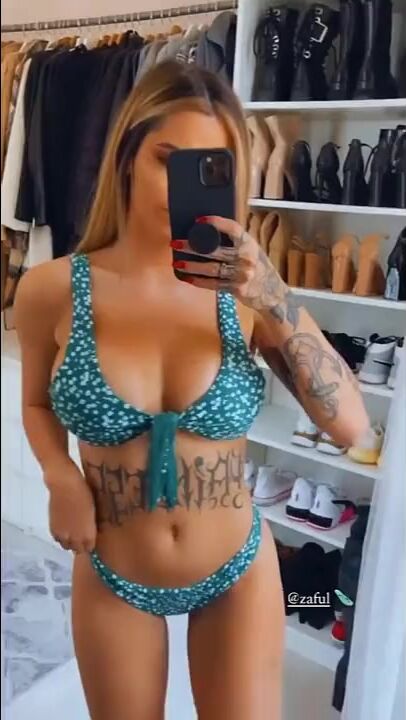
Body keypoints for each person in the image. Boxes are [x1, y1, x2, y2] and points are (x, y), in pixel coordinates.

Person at [14, 61, 370, 720]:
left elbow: (352, 428)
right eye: (168, 160)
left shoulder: (249, 296)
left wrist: (273, 294)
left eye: (212, 167)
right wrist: (59, 475)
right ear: (126, 157)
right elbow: (36, 402)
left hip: (235, 570)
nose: (187, 185)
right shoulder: (52, 290)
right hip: (113, 571)